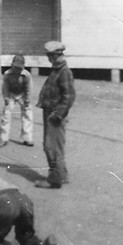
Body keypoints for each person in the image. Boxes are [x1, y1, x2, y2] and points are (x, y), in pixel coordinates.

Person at [35, 41, 76, 189]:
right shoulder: (57, 70)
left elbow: (69, 96)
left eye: (50, 55)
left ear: (57, 55)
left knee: (50, 147)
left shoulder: (64, 72)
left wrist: (58, 114)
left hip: (55, 115)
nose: (48, 58)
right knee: (55, 146)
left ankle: (54, 180)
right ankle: (62, 175)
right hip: (50, 112)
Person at [0, 54, 34, 148]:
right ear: (12, 65)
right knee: (6, 114)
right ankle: (3, 138)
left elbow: (28, 89)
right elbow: (5, 87)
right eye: (15, 67)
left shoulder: (26, 75)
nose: (17, 70)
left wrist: (27, 100)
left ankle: (27, 138)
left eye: (19, 68)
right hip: (11, 94)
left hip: (22, 94)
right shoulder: (7, 74)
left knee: (27, 114)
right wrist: (5, 97)